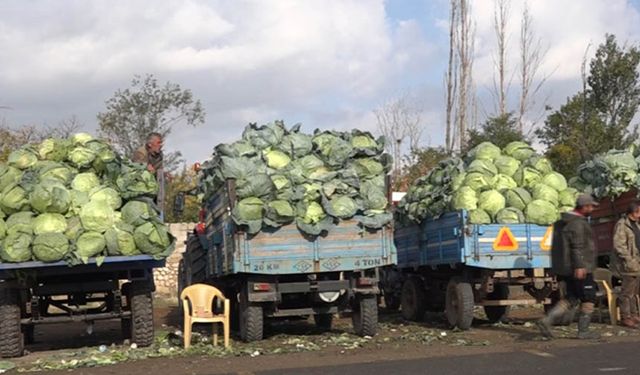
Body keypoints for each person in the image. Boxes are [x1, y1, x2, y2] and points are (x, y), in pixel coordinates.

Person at [537, 194, 600, 339]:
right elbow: (576, 247)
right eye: (591, 206)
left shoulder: (561, 222)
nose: (592, 209)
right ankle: (583, 331)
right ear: (584, 207)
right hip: (580, 267)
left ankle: (546, 321)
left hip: (566, 267)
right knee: (589, 297)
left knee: (571, 297)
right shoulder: (577, 223)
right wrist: (580, 266)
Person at [612, 201, 640, 328]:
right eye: (637, 212)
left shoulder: (636, 224)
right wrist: (629, 260)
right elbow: (619, 245)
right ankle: (626, 317)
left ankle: (634, 315)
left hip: (636, 262)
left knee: (634, 291)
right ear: (631, 212)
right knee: (627, 292)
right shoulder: (622, 225)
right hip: (627, 265)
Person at [132, 132, 165, 218]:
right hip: (142, 192)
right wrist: (145, 167)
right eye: (158, 142)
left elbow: (159, 170)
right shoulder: (140, 153)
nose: (161, 145)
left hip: (155, 189)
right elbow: (137, 170)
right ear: (150, 144)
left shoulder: (159, 155)